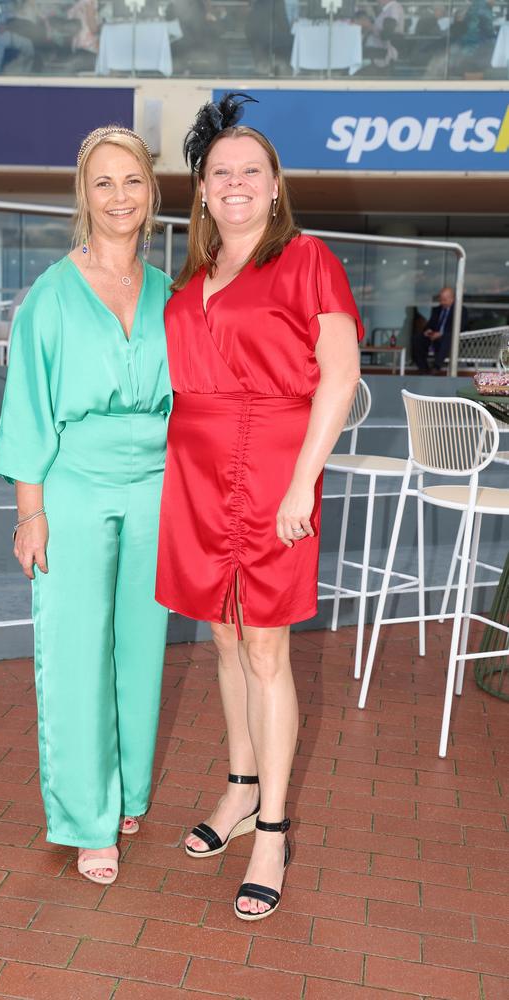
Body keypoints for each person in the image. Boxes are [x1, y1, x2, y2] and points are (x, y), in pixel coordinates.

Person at [156, 94, 363, 921]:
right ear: (202, 191)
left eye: (251, 171)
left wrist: (302, 480)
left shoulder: (309, 259)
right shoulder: (193, 278)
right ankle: (238, 788)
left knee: (269, 650)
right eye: (220, 173)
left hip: (274, 465)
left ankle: (273, 827)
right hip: (198, 471)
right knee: (225, 640)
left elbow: (340, 378)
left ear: (275, 186)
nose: (235, 184)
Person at [0, 126, 172, 886]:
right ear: (82, 196)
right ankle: (87, 817)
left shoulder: (168, 290)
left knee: (141, 646)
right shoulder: (52, 295)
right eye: (103, 183)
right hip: (73, 485)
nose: (119, 196)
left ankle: (124, 789)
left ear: (152, 193)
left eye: (132, 181)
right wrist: (31, 513)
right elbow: (27, 408)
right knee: (75, 651)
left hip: (158, 485)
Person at [412, 285, 468, 373]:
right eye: (441, 299)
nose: (442, 302)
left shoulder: (460, 310)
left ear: (452, 299)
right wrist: (428, 330)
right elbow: (430, 324)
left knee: (447, 337)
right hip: (433, 337)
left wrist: (441, 333)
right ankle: (423, 368)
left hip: (450, 340)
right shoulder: (437, 310)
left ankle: (436, 367)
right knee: (417, 338)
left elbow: (460, 327)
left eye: (444, 300)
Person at [362, 0, 406, 70]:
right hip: (377, 53)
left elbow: (386, 34)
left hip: (382, 56)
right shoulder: (388, 9)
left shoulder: (393, 8)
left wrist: (370, 26)